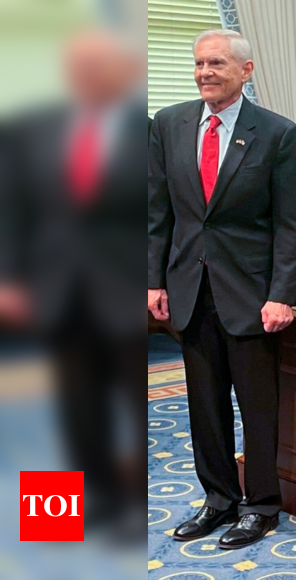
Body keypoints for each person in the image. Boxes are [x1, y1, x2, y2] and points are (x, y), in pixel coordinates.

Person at [148, 29, 296, 549]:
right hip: (189, 287)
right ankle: (218, 499)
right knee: (205, 403)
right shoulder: (168, 125)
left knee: (257, 406)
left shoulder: (279, 134)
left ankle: (261, 505)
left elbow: (292, 223)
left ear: (246, 70)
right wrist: (153, 278)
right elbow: (158, 211)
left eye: (216, 63)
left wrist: (283, 292)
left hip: (252, 294)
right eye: (198, 63)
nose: (204, 72)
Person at [0, 30, 146, 536]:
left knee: (132, 399)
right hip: (55, 286)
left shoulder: (146, 130)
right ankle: (91, 502)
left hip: (125, 287)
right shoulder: (32, 129)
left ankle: (133, 503)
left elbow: (164, 214)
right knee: (73, 400)